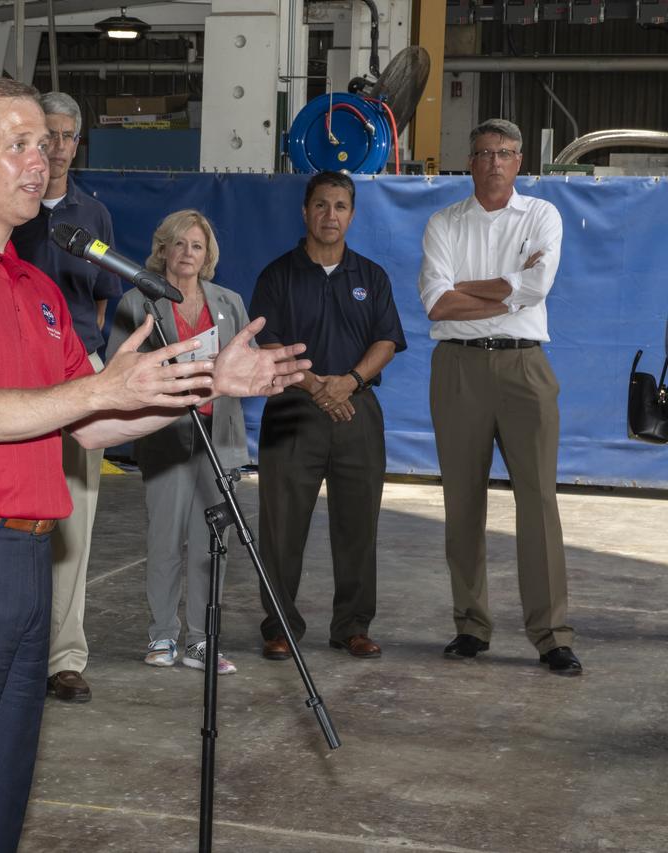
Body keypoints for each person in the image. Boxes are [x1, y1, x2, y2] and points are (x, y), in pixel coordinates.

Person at [0, 77, 310, 853]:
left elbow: (94, 425)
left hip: (27, 561)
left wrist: (211, 382)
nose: (43, 162)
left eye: (49, 146)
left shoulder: (34, 284)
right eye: (20, 145)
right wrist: (99, 386)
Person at [418, 118, 581, 676]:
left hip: (524, 368)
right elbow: (437, 303)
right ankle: (471, 626)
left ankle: (551, 635)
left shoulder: (542, 215)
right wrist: (511, 291)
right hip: (458, 369)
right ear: (470, 161)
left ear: (519, 162)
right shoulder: (443, 222)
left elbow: (540, 286)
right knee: (462, 500)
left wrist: (471, 289)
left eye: (505, 153)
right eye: (485, 152)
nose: (494, 162)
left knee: (538, 502)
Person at [248, 171, 406, 662]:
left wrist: (349, 382)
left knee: (358, 524)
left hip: (356, 410)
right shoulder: (277, 275)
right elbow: (268, 345)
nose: (330, 215)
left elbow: (387, 341)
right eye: (321, 205)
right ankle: (280, 627)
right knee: (281, 527)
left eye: (340, 206)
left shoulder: (371, 277)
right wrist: (317, 386)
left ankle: (352, 627)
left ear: (352, 215)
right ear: (305, 211)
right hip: (293, 411)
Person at [10, 90, 122, 704]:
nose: (54, 147)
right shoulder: (12, 208)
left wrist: (84, 359)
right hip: (17, 380)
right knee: (14, 514)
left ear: (78, 144)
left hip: (81, 374)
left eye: (65, 136)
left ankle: (64, 657)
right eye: (43, 135)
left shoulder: (94, 215)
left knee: (75, 520)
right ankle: (13, 647)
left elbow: (100, 302)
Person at [105, 210, 252, 675]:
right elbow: (116, 369)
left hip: (218, 439)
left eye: (197, 245)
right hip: (165, 438)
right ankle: (163, 635)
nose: (188, 253)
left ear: (208, 256)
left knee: (213, 543)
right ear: (163, 249)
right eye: (180, 243)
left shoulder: (229, 302)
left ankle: (203, 642)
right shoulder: (137, 302)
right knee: (165, 539)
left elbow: (246, 365)